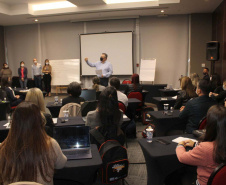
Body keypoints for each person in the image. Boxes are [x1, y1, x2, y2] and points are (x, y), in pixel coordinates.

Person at [0, 102, 67, 185]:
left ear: (13, 122)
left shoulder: (2, 148)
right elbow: (61, 164)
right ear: (40, 121)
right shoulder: (51, 144)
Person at [176, 105, 226, 185]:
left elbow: (182, 157)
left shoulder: (206, 148)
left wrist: (180, 145)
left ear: (210, 124)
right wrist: (196, 143)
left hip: (203, 182)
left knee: (177, 176)